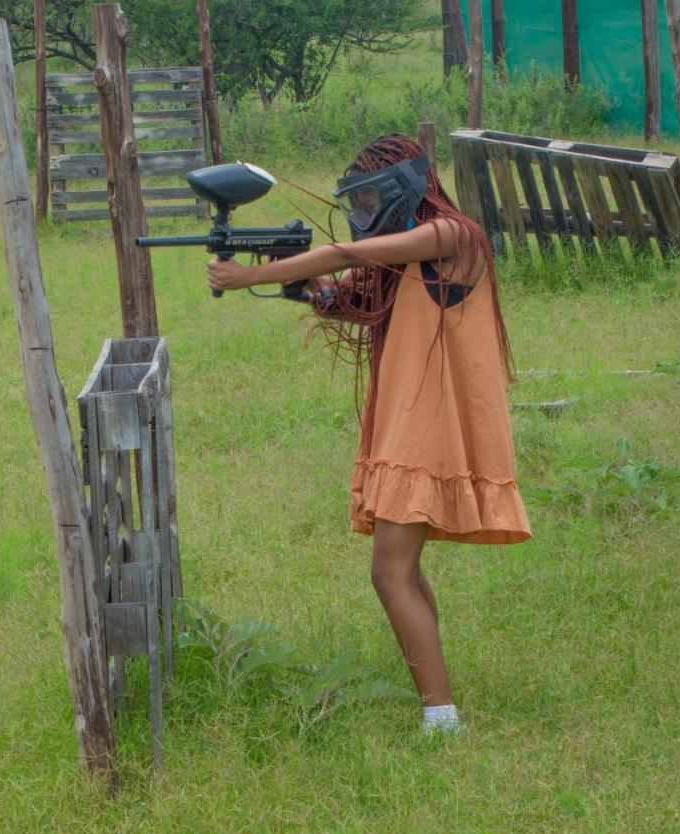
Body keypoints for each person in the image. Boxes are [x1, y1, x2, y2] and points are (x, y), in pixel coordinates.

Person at [206, 133, 532, 735]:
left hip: (431, 429)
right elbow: (344, 293)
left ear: (411, 186)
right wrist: (301, 292)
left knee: (389, 572)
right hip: (410, 424)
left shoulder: (452, 235)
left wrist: (249, 276)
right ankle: (440, 707)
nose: (365, 212)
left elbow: (338, 259)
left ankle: (442, 718)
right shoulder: (405, 259)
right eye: (359, 202)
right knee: (401, 570)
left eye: (375, 197)